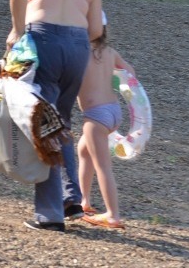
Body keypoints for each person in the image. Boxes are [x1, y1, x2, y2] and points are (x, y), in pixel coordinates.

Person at [5, 0, 105, 232]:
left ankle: (49, 214)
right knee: (61, 121)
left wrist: (18, 30)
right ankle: (70, 196)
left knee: (43, 124)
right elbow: (96, 28)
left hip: (44, 39)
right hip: (77, 45)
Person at [76, 25, 132, 230]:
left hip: (95, 117)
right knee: (83, 151)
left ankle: (112, 214)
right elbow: (130, 73)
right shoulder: (110, 52)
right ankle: (84, 201)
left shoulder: (80, 54)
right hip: (114, 111)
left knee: (103, 166)